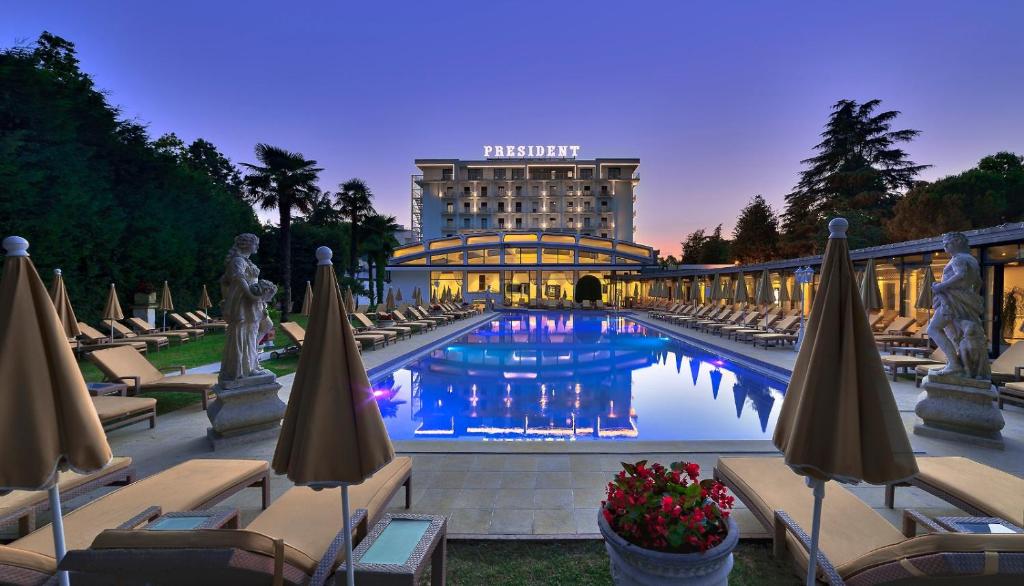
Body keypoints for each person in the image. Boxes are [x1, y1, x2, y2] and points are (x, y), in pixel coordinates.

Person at [927, 232, 985, 378]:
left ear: (958, 242)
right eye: (944, 243)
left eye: (948, 243)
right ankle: (958, 364)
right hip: (963, 299)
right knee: (954, 333)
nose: (945, 246)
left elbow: (961, 275)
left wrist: (941, 286)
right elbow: (978, 283)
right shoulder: (972, 259)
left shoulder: (958, 259)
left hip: (952, 300)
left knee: (933, 329)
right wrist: (973, 298)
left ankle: (954, 364)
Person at [219, 234, 276, 383]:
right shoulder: (237, 261)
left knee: (264, 327)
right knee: (244, 334)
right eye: (255, 244)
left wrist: (262, 296)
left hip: (252, 302)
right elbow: (241, 284)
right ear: (245, 245)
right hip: (244, 303)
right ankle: (244, 369)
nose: (257, 246)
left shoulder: (245, 261)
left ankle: (251, 362)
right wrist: (255, 296)